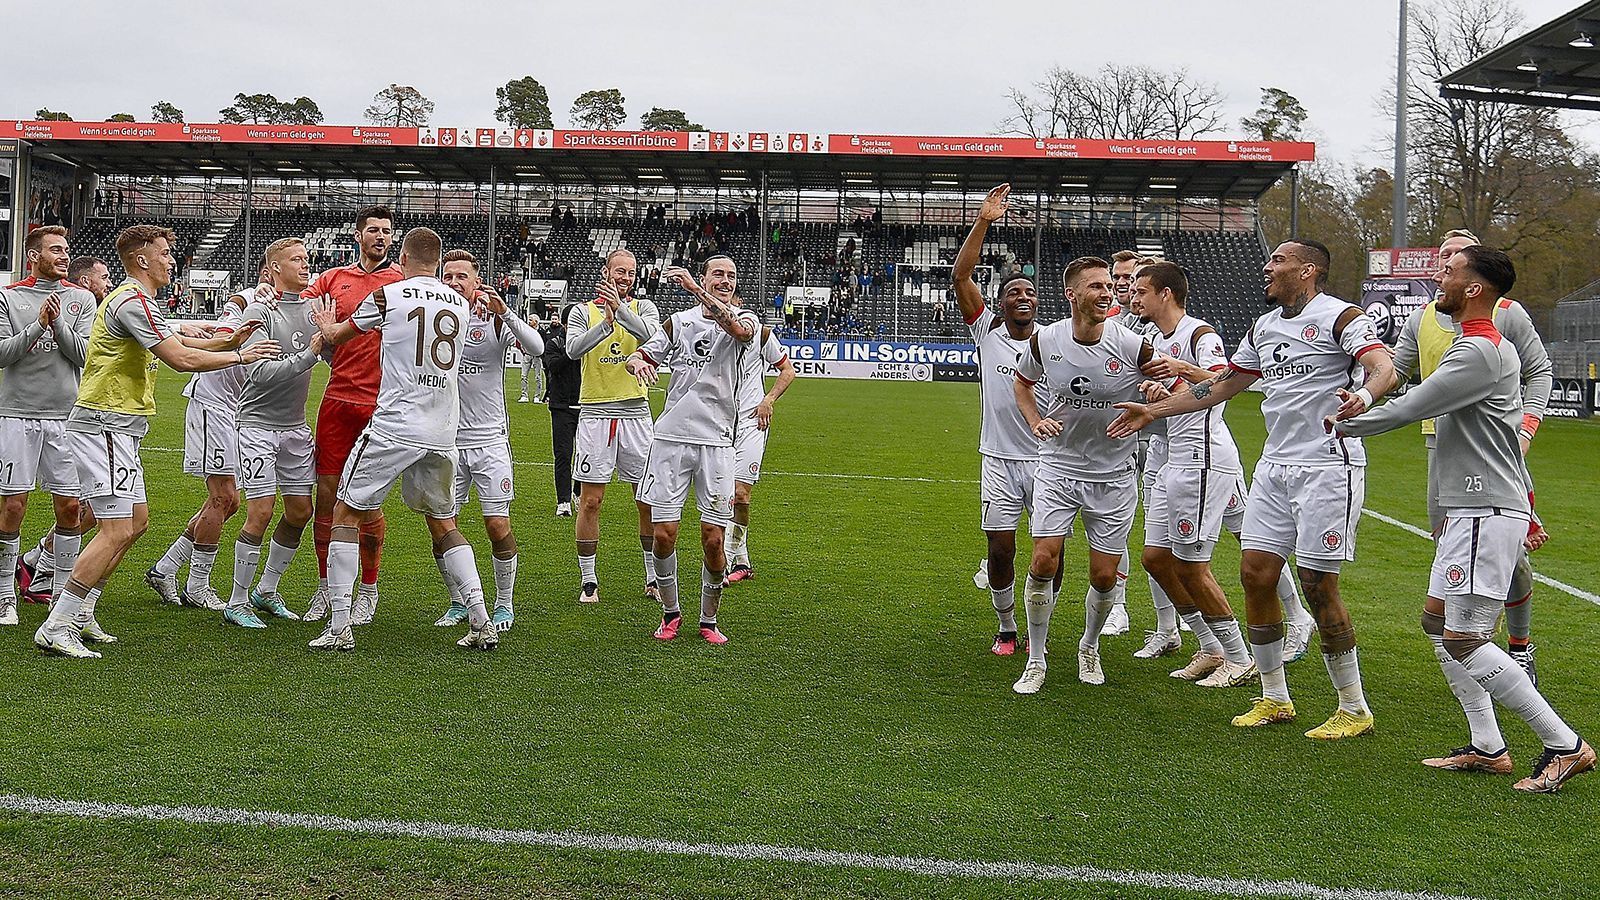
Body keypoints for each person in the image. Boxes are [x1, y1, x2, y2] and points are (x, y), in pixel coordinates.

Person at [1332, 246, 1593, 792]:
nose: (1439, 279)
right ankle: (1488, 746)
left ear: (1475, 288)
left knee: (1465, 638)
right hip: (1471, 508)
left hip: (1483, 509)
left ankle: (1564, 745)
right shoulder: (1473, 345)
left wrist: (1342, 423)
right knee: (1438, 624)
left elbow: (1410, 406)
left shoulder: (1477, 350)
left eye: (1449, 273)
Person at [1109, 239, 1394, 738]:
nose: (1267, 266)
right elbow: (1219, 387)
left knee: (1317, 583)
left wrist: (1365, 396)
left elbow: (1382, 366)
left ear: (1307, 271)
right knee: (1255, 574)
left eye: (1278, 260)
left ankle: (1353, 706)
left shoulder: (1340, 317)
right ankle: (1273, 697)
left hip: (1328, 465)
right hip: (1273, 466)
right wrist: (1153, 411)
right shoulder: (1263, 327)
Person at [33, 224, 277, 658]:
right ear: (142, 260)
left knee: (137, 523)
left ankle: (83, 611)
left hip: (121, 427)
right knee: (114, 530)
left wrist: (230, 338)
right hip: (104, 422)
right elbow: (180, 358)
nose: (171, 259)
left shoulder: (138, 300)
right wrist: (239, 354)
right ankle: (56, 623)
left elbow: (182, 339)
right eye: (165, 253)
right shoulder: (131, 300)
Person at [1367, 229, 1552, 683]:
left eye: (1455, 258)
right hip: (1441, 446)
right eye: (1442, 257)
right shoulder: (1425, 317)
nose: (1443, 265)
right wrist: (1364, 394)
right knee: (1450, 550)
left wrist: (1526, 427)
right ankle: (1470, 656)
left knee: (1512, 562)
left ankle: (1516, 648)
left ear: (1474, 275)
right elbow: (1397, 371)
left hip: (1493, 451)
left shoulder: (1503, 317)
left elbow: (1539, 371)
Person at [306, 227, 496, 652]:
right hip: (443, 430)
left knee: (345, 513)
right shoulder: (462, 307)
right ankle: (482, 620)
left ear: (404, 262)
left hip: (395, 424)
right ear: (438, 263)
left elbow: (339, 337)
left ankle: (339, 626)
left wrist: (325, 323)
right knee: (445, 524)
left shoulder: (391, 296)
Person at [1010, 257, 1153, 693]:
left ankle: (1088, 646)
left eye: (1109, 285)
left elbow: (1168, 388)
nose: (1107, 292)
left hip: (1113, 474)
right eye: (1095, 286)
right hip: (1057, 467)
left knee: (1104, 577)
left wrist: (1150, 405)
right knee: (1042, 560)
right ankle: (1036, 658)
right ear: (1072, 294)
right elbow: (1021, 384)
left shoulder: (1130, 344)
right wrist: (1035, 421)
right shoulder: (1045, 340)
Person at [1126, 262, 1256, 687]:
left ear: (1166, 294)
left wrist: (1180, 371)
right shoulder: (1154, 338)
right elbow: (1182, 393)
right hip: (1171, 458)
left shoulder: (1201, 334)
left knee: (1191, 565)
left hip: (1202, 458)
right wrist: (1159, 391)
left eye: (1142, 291)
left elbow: (1224, 383)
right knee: (1156, 559)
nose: (1134, 298)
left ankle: (1240, 657)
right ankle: (1210, 646)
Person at [626, 256, 759, 643]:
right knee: (664, 534)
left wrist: (696, 290)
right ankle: (671, 614)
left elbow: (737, 330)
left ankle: (708, 619)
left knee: (713, 538)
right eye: (717, 274)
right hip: (670, 440)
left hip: (717, 442)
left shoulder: (746, 317)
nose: (725, 280)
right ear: (706, 276)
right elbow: (644, 353)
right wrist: (637, 363)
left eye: (732, 275)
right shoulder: (679, 322)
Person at [950, 185, 1057, 656]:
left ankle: (1042, 630)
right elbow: (960, 276)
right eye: (1014, 291)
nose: (1023, 296)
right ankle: (1007, 625)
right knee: (1000, 550)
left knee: (1049, 553)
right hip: (997, 460)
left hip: (1049, 460)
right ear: (1001, 303)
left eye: (1031, 291)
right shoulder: (988, 329)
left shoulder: (1055, 341)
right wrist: (984, 221)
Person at [144, 261, 268, 611]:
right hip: (211, 404)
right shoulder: (249, 303)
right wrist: (249, 296)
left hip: (235, 410)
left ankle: (165, 568)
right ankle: (197, 586)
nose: (305, 268)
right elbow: (233, 309)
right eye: (296, 262)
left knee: (230, 502)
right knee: (222, 498)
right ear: (267, 273)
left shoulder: (283, 310)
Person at [433, 249, 544, 632]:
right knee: (443, 525)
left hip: (489, 441)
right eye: (447, 276)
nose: (453, 282)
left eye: (461, 276)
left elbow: (537, 348)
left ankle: (504, 604)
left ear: (476, 282)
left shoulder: (492, 323)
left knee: (497, 525)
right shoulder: (434, 323)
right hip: (446, 441)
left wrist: (505, 312)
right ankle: (458, 601)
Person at [301, 205, 402, 626]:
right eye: (374, 230)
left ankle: (369, 589)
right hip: (338, 401)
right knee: (325, 497)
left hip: (382, 405)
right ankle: (326, 588)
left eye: (387, 232)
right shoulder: (333, 279)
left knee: (366, 502)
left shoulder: (402, 281)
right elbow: (299, 303)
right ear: (358, 234)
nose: (381, 237)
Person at [221, 238, 326, 628]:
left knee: (300, 511)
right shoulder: (259, 310)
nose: (305, 264)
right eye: (296, 259)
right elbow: (260, 372)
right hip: (257, 427)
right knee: (261, 511)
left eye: (306, 258)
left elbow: (329, 353)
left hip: (295, 428)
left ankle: (267, 589)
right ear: (275, 269)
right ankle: (236, 601)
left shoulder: (315, 309)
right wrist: (309, 355)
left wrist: (329, 340)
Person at [0, 227, 98, 629]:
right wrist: (38, 325)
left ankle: (60, 596)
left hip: (65, 418)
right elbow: (3, 355)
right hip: (16, 414)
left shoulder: (82, 298)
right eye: (55, 250)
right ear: (33, 256)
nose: (63, 255)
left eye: (66, 250)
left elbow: (86, 356)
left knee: (71, 508)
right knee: (12, 506)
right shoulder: (9, 296)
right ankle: (5, 593)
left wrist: (57, 325)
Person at [15, 255, 113, 605]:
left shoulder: (95, 308)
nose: (108, 283)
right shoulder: (103, 310)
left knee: (81, 506)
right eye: (103, 277)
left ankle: (39, 569)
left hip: (85, 415)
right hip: (66, 416)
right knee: (107, 512)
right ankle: (37, 569)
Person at [564, 250, 660, 605]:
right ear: (605, 272)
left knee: (646, 500)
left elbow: (651, 338)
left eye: (632, 273)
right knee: (591, 501)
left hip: (636, 414)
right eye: (620, 271)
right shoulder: (581, 311)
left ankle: (652, 576)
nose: (626, 277)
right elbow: (574, 350)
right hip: (596, 414)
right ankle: (589, 579)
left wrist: (620, 310)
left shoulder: (645, 308)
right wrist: (605, 323)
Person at [722, 314, 795, 583]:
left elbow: (788, 370)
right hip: (720, 422)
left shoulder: (759, 333)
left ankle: (727, 561)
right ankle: (742, 562)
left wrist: (768, 399)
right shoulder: (711, 334)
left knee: (740, 494)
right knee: (723, 496)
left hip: (753, 422)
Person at [543, 306, 582, 516]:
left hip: (586, 405)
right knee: (563, 454)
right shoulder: (555, 342)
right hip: (561, 406)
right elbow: (553, 366)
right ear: (566, 325)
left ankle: (578, 491)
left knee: (587, 455)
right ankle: (563, 501)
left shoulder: (588, 343)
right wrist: (573, 350)